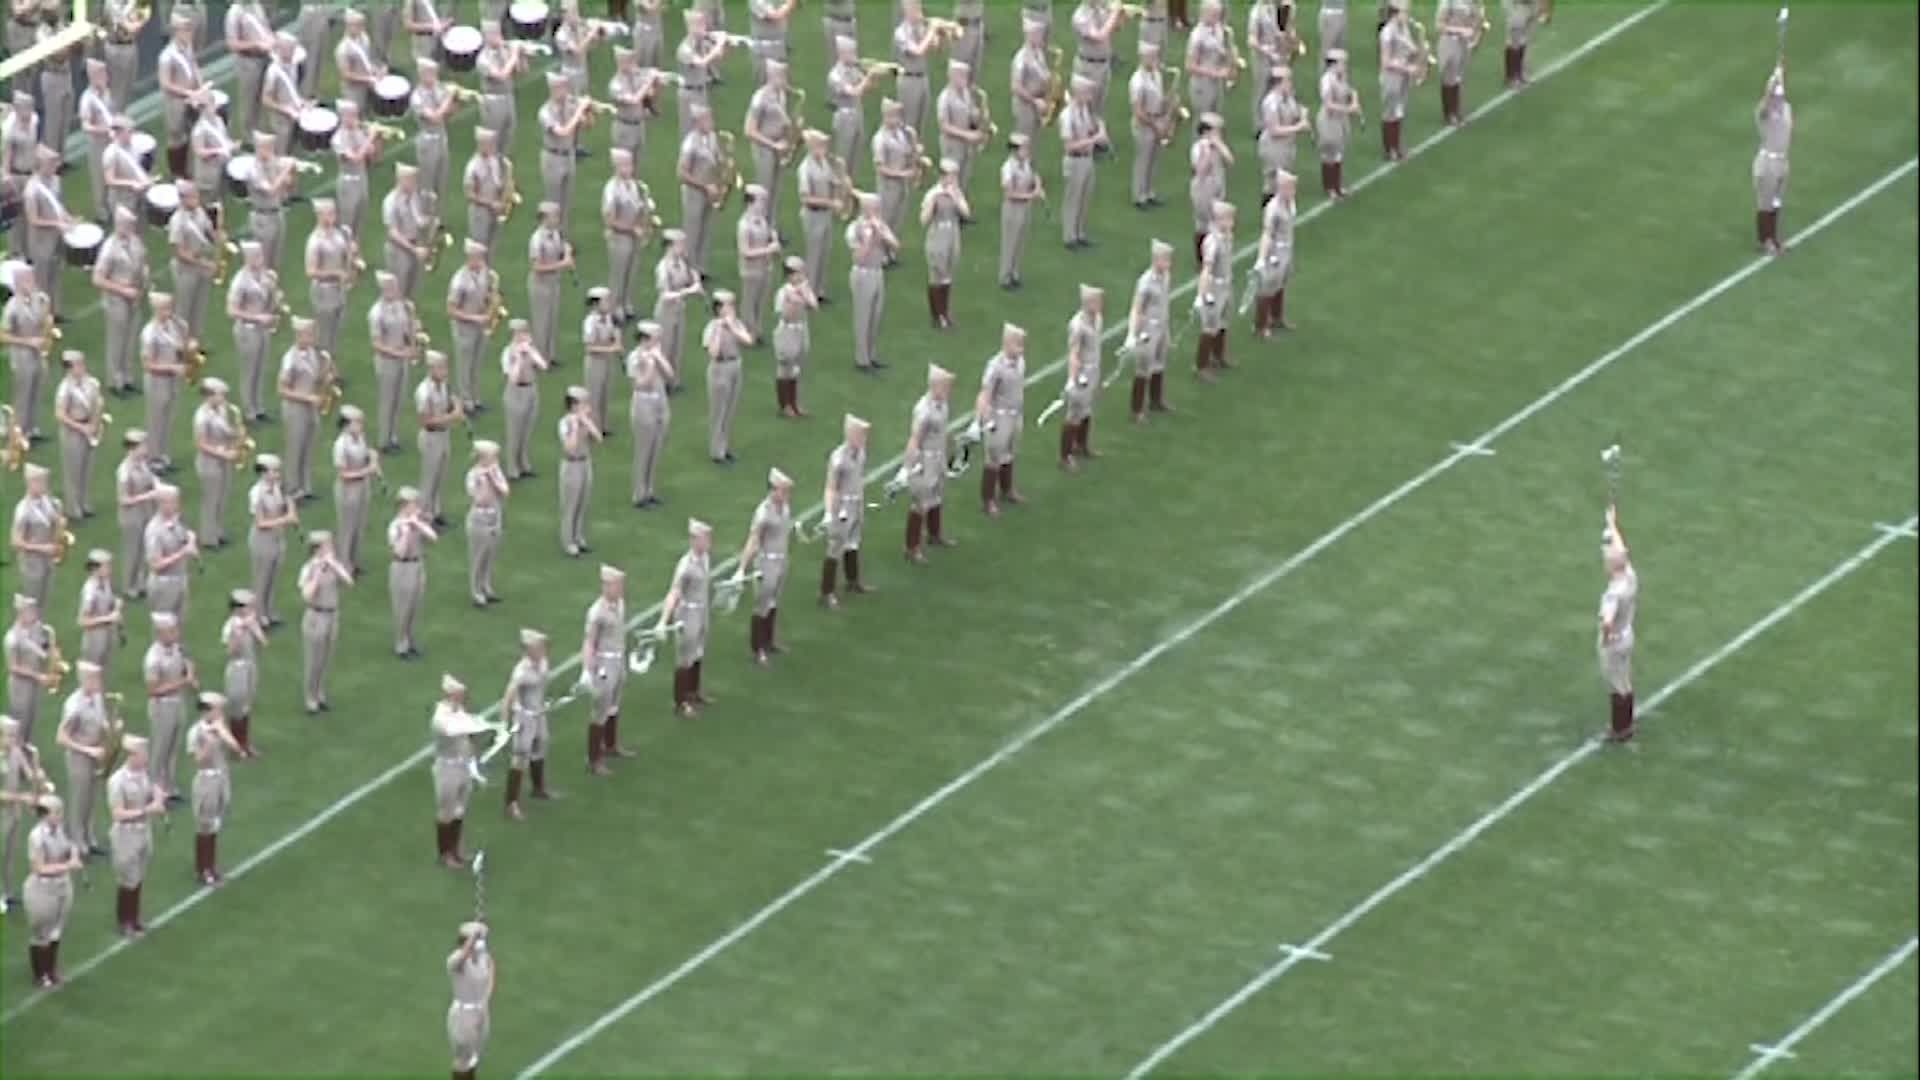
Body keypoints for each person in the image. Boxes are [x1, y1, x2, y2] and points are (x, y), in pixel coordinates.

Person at [106, 733, 164, 935]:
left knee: (138, 876)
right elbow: (117, 813)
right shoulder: (118, 781)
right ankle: (124, 921)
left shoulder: (143, 774)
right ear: (132, 755)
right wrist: (147, 810)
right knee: (127, 878)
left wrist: (157, 795)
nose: (146, 757)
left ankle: (135, 918)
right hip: (125, 834)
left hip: (143, 831)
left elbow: (149, 793)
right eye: (143, 753)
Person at [737, 468, 795, 664]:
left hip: (781, 559)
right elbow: (753, 541)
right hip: (767, 562)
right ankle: (757, 648)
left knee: (773, 601)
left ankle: (769, 641)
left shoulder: (784, 508)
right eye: (784, 490)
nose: (787, 495)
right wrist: (742, 569)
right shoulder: (763, 513)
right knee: (762, 605)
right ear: (774, 490)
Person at [657, 520, 714, 717]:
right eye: (705, 538)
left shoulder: (705, 558)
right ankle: (680, 701)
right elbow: (674, 593)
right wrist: (664, 621)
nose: (709, 541)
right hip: (687, 614)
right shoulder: (685, 567)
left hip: (701, 610)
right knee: (685, 658)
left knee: (698, 651)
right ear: (694, 540)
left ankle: (694, 691)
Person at [24, 793, 82, 986]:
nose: (60, 816)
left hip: (62, 886)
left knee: (56, 929)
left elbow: (67, 847)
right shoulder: (37, 837)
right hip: (42, 889)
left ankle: (51, 969)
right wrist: (68, 866)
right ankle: (39, 974)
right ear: (45, 814)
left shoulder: (59, 830)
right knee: (41, 932)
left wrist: (72, 852)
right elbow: (38, 868)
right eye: (56, 812)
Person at [54, 662, 111, 856]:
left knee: (92, 797)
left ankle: (89, 837)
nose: (98, 681)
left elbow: (100, 719)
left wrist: (108, 729)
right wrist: (88, 750)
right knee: (80, 799)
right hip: (79, 757)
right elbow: (61, 738)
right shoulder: (74, 705)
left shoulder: (97, 697)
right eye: (94, 678)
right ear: (85, 680)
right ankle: (76, 842)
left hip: (95, 752)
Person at [902, 364, 956, 562]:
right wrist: (911, 465)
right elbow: (915, 439)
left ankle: (934, 534)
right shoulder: (923, 410)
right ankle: (911, 546)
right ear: (935, 386)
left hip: (938, 456)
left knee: (937, 494)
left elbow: (942, 429)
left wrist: (949, 444)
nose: (949, 390)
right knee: (920, 502)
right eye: (946, 386)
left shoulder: (942, 404)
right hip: (925, 459)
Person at [97, 206, 151, 397]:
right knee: (117, 341)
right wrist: (123, 290)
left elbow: (142, 261)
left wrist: (144, 279)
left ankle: (127, 377)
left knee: (131, 339)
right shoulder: (109, 248)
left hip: (134, 296)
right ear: (118, 225)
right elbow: (98, 278)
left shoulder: (135, 241)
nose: (131, 226)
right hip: (116, 299)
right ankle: (114, 381)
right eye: (127, 224)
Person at [186, 691, 239, 885]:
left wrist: (222, 733)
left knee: (216, 824)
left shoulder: (219, 727)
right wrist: (208, 744)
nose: (220, 713)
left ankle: (211, 865)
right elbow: (198, 761)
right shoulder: (195, 732)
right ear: (207, 711)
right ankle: (203, 869)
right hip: (205, 780)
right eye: (216, 709)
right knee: (205, 825)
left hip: (221, 778)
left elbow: (235, 748)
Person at [297, 530, 353, 713]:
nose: (332, 547)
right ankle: (309, 698)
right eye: (328, 545)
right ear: (318, 549)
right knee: (314, 659)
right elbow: (307, 595)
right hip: (316, 616)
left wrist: (334, 566)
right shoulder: (308, 569)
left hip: (332, 615)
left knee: (326, 658)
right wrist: (319, 573)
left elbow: (348, 582)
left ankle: (319, 693)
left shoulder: (333, 565)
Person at [818, 414, 871, 606]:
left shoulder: (861, 453)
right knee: (835, 547)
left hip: (856, 502)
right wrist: (829, 512)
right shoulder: (838, 458)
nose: (864, 439)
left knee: (853, 542)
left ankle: (852, 580)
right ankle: (826, 592)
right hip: (842, 507)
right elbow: (831, 487)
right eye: (861, 435)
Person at [580, 565, 628, 773]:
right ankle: (594, 758)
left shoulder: (620, 604)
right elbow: (589, 642)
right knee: (600, 710)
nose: (621, 588)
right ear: (607, 586)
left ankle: (610, 745)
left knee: (614, 704)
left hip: (618, 660)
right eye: (617, 584)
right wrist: (586, 670)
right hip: (604, 665)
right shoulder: (596, 612)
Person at [976, 324, 1029, 515]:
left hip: (1015, 414)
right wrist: (984, 419)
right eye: (1018, 344)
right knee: (993, 458)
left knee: (1010, 452)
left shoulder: (1020, 362)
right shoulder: (995, 366)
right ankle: (987, 499)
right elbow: (985, 394)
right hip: (1000, 416)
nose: (1022, 348)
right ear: (1007, 343)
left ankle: (1007, 489)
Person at [142, 611, 194, 803]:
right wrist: (182, 682)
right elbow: (153, 689)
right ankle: (154, 789)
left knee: (173, 747)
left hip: (177, 703)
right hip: (162, 706)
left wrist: (190, 672)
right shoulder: (153, 658)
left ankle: (169, 786)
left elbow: (186, 660)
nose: (176, 633)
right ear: (160, 633)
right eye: (171, 631)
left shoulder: (176, 649)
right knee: (160, 749)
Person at [429, 675, 481, 868]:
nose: (464, 697)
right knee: (446, 811)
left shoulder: (459, 711)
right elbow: (454, 730)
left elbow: (468, 737)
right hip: (447, 767)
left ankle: (457, 849)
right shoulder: (440, 717)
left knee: (459, 810)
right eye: (461, 694)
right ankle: (445, 854)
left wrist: (473, 763)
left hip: (462, 765)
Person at [501, 628, 552, 819]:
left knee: (541, 745)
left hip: (539, 714)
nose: (544, 648)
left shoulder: (543, 663)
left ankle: (538, 788)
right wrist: (504, 725)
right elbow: (507, 698)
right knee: (520, 756)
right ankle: (510, 803)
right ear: (530, 650)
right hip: (524, 718)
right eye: (540, 646)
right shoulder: (521, 672)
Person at [227, 241, 279, 422]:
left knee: (260, 367)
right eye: (257, 256)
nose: (261, 259)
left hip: (262, 328)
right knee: (249, 370)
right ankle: (248, 409)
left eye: (261, 255)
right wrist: (256, 317)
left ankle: (258, 406)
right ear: (248, 259)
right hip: (247, 330)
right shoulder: (241, 281)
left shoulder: (265, 276)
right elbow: (232, 310)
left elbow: (271, 301)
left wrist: (274, 291)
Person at [1598, 505, 1638, 742]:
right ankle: (1628, 723)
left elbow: (1606, 621)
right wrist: (1612, 524)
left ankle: (1619, 728)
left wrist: (1605, 639)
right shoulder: (1630, 577)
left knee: (1615, 683)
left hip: (1615, 640)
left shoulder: (1613, 593)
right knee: (1625, 679)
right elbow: (1621, 551)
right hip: (1627, 635)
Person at [846, 192, 897, 373]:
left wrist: (881, 233)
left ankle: (872, 354)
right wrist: (869, 238)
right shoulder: (854, 228)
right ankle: (862, 359)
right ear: (866, 209)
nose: (878, 211)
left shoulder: (880, 225)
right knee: (863, 316)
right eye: (875, 208)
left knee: (876, 315)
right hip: (862, 273)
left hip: (877, 272)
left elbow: (896, 245)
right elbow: (858, 257)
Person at [277, 318, 327, 501]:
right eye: (309, 334)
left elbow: (315, 377)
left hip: (310, 406)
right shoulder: (290, 359)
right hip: (295, 408)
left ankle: (305, 487)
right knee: (295, 448)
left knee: (308, 446)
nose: (313, 337)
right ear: (299, 336)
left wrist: (325, 375)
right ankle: (291, 489)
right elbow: (282, 389)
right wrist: (308, 397)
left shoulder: (314, 353)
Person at [23, 148, 76, 321]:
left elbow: (58, 206)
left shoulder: (55, 181)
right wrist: (57, 224)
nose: (55, 166)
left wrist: (68, 218)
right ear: (40, 166)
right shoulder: (32, 190)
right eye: (50, 163)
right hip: (41, 240)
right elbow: (33, 220)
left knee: (56, 274)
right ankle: (42, 318)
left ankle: (55, 312)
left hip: (56, 236)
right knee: (42, 280)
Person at [1, 269, 54, 438]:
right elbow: (3, 335)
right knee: (23, 395)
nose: (32, 282)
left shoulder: (39, 299)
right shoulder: (12, 307)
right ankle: (18, 432)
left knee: (37, 390)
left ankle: (32, 428)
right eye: (28, 280)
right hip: (22, 355)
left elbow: (44, 319)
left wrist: (47, 328)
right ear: (19, 283)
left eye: (32, 278)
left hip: (38, 352)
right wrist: (29, 341)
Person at [368, 272, 418, 452]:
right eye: (389, 287)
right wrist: (399, 353)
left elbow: (408, 327)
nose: (394, 290)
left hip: (401, 356)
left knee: (399, 398)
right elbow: (376, 344)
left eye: (395, 287)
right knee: (387, 400)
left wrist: (412, 344)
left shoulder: (401, 306)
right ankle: (383, 440)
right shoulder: (376, 313)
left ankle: (393, 436)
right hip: (386, 360)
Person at [602, 150, 651, 330]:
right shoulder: (611, 189)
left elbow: (640, 207)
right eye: (625, 165)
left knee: (632, 269)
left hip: (633, 235)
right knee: (618, 273)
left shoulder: (634, 186)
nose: (629, 168)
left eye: (630, 164)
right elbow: (610, 219)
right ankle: (614, 308)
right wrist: (632, 228)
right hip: (619, 237)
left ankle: (626, 303)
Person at [626, 322, 673, 508]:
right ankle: (639, 494)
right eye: (655, 337)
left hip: (659, 400)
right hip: (643, 402)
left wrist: (658, 359)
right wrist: (651, 365)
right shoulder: (634, 357)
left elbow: (670, 374)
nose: (658, 340)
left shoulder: (656, 354)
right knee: (644, 451)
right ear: (645, 339)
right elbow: (640, 384)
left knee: (656, 449)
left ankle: (650, 490)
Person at [537, 74, 593, 232]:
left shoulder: (570, 106)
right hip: (552, 158)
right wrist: (580, 109)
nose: (565, 92)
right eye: (561, 88)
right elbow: (563, 131)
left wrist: (587, 111)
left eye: (566, 87)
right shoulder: (545, 112)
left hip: (568, 156)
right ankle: (548, 238)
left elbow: (587, 126)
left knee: (566, 203)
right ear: (553, 89)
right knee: (553, 204)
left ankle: (561, 239)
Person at [387, 487, 438, 658]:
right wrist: (408, 530)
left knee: (415, 606)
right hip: (402, 567)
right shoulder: (395, 526)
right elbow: (399, 552)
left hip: (417, 565)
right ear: (404, 506)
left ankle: (410, 640)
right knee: (403, 607)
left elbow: (433, 538)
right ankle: (401, 645)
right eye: (414, 504)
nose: (418, 507)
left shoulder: (416, 523)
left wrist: (418, 524)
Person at [190, 377, 241, 546]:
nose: (224, 397)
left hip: (223, 458)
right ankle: (208, 538)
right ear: (210, 396)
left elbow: (224, 430)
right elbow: (200, 444)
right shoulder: (201, 417)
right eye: (221, 394)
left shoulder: (222, 409)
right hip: (209, 464)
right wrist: (224, 455)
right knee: (211, 500)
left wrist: (235, 434)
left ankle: (217, 531)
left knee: (222, 497)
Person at [54, 352, 106, 517]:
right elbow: (60, 414)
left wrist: (95, 424)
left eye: (82, 363)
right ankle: (73, 507)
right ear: (69, 368)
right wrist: (81, 427)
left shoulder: (90, 382)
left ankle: (84, 502)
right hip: (73, 431)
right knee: (73, 470)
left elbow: (98, 403)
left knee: (86, 467)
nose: (83, 366)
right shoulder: (65, 388)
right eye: (78, 364)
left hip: (89, 425)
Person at [306, 199, 356, 369]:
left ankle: (330, 371)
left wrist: (351, 255)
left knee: (335, 333)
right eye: (327, 214)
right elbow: (311, 271)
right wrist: (335, 273)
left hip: (339, 289)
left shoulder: (339, 233)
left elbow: (345, 255)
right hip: (323, 291)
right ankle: (321, 372)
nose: (331, 217)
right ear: (318, 216)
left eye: (333, 213)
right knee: (324, 336)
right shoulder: (315, 241)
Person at [676, 105, 725, 279]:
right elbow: (681, 173)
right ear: (697, 123)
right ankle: (686, 271)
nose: (711, 122)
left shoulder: (712, 138)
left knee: (706, 229)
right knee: (692, 231)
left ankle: (700, 268)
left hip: (709, 190)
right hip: (694, 193)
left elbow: (717, 160)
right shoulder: (690, 143)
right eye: (707, 119)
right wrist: (704, 186)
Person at [702, 291, 751, 465]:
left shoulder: (736, 324)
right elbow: (713, 353)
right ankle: (717, 451)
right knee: (719, 411)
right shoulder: (711, 327)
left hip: (735, 365)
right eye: (728, 305)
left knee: (730, 408)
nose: (732, 308)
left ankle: (725, 445)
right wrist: (720, 330)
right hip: (719, 368)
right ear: (719, 309)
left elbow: (748, 340)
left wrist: (732, 328)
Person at [248, 453, 297, 624]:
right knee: (261, 579)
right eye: (274, 471)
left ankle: (269, 610)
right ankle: (258, 615)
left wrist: (290, 506)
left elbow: (283, 506)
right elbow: (260, 522)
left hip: (277, 537)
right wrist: (286, 519)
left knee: (273, 576)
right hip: (262, 540)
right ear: (263, 473)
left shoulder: (277, 488)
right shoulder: (257, 493)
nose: (277, 474)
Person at [446, 242, 494, 414]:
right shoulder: (459, 280)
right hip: (464, 328)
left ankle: (475, 397)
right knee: (464, 365)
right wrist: (475, 318)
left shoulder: (484, 271)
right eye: (479, 257)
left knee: (476, 363)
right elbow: (451, 310)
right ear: (470, 257)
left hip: (480, 324)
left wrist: (490, 305)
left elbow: (487, 291)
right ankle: (465, 402)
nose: (482, 260)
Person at [1059, 285, 1104, 469]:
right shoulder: (1078, 325)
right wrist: (1072, 378)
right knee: (1074, 414)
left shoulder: (1097, 319)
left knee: (1087, 409)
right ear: (1088, 303)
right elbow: (1074, 353)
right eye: (1098, 300)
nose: (1101, 303)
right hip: (1082, 372)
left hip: (1093, 369)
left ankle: (1081, 444)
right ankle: (1065, 455)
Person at [920, 159, 968, 329]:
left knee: (948, 273)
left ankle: (945, 313)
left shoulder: (956, 192)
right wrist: (934, 201)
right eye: (951, 175)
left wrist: (955, 197)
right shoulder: (933, 193)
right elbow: (924, 220)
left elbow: (966, 213)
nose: (955, 178)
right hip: (938, 233)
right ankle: (937, 314)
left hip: (953, 233)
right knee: (937, 273)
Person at [653, 230, 703, 393]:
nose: (683, 247)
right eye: (679, 244)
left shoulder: (682, 263)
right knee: (665, 347)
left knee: (677, 346)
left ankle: (673, 380)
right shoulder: (663, 267)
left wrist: (694, 280)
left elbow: (688, 280)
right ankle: (661, 383)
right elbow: (665, 294)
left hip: (679, 309)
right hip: (666, 312)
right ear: (669, 246)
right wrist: (689, 291)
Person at [416, 352, 463, 524]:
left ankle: (435, 511)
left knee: (441, 475)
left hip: (444, 435)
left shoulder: (443, 385)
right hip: (431, 437)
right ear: (431, 369)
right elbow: (425, 420)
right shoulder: (424, 392)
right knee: (429, 478)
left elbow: (449, 402)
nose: (445, 371)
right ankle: (423, 515)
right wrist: (452, 417)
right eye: (441, 367)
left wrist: (456, 405)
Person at [1057, 76, 1105, 248]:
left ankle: (1080, 232)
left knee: (1084, 197)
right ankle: (1069, 236)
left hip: (1087, 159)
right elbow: (1069, 146)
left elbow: (1090, 128)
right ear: (1078, 93)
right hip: (1074, 160)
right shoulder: (1067, 116)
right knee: (1073, 199)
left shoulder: (1084, 109)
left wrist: (1100, 128)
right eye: (1087, 92)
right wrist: (1093, 140)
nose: (1090, 96)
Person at [168, 184, 219, 342]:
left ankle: (195, 344)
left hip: (201, 264)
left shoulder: (199, 212)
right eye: (192, 196)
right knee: (184, 311)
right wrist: (203, 263)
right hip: (186, 270)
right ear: (183, 199)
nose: (196, 199)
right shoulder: (177, 221)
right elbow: (178, 252)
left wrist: (218, 239)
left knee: (199, 308)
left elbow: (210, 232)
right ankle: (179, 346)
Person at [446, 919, 495, 1080]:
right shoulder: (455, 960)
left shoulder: (482, 958)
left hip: (480, 1012)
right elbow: (461, 960)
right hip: (462, 1016)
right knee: (463, 1061)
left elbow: (492, 968)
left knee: (474, 1057)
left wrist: (486, 999)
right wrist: (473, 938)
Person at [330, 408, 377, 571]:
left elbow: (364, 456)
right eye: (357, 422)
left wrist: (371, 456)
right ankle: (344, 564)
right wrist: (367, 470)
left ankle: (354, 561)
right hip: (348, 489)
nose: (361, 425)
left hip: (362, 486)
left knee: (359, 524)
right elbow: (343, 474)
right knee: (347, 527)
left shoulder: (360, 438)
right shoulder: (341, 445)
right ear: (346, 425)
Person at [500, 321, 548, 481]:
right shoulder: (507, 353)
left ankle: (524, 463)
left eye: (525, 332)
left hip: (531, 390)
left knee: (527, 429)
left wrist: (530, 353)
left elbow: (543, 366)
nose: (523, 336)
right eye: (519, 333)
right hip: (515, 393)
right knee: (514, 431)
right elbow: (512, 378)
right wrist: (519, 358)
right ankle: (512, 468)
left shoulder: (530, 350)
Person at [221, 590, 266, 756]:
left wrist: (253, 628)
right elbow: (231, 651)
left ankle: (245, 743)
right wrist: (239, 632)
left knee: (246, 706)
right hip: (237, 667)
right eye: (248, 607)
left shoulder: (250, 622)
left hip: (250, 665)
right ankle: (235, 746)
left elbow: (263, 643)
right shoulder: (230, 626)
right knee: (236, 707)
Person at [1252, 169, 1297, 335]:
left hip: (1287, 247)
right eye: (1290, 187)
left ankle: (1277, 317)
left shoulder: (1290, 202)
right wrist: (1262, 258)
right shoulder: (1273, 208)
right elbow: (1267, 234)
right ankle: (1260, 326)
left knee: (1281, 283)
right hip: (1275, 251)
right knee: (1267, 287)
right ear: (1281, 188)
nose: (1293, 190)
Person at [771, 256, 817, 418]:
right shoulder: (783, 293)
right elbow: (785, 315)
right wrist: (793, 301)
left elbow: (813, 305)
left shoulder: (804, 288)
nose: (801, 275)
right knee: (785, 367)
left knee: (797, 368)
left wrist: (803, 294)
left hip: (801, 328)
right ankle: (785, 405)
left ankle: (795, 403)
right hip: (787, 331)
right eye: (798, 272)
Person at [745, 62, 796, 210]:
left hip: (779, 147)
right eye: (782, 75)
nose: (786, 79)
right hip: (764, 148)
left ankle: (770, 226)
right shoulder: (760, 98)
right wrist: (773, 145)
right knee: (763, 190)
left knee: (776, 190)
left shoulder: (781, 94)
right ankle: (755, 222)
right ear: (771, 76)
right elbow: (749, 130)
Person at [527, 202, 572, 367]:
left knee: (552, 319)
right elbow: (537, 267)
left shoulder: (556, 234)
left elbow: (560, 253)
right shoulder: (537, 239)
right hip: (541, 284)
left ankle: (549, 355)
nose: (557, 218)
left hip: (554, 282)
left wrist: (566, 252)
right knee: (541, 322)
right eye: (554, 215)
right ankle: (539, 359)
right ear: (544, 218)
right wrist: (563, 264)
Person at [1194, 200, 1236, 378]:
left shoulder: (1227, 236)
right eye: (1229, 219)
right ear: (1219, 220)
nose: (1232, 222)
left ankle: (1218, 355)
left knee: (1223, 322)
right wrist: (1203, 294)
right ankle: (1201, 365)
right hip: (1215, 287)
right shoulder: (1212, 242)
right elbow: (1207, 270)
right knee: (1209, 327)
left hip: (1225, 283)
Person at [557, 388, 601, 557]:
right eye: (584, 402)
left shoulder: (586, 421)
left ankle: (578, 537)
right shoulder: (565, 423)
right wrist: (576, 425)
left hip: (585, 463)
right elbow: (570, 446)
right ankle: (568, 542)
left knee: (583, 502)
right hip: (571, 465)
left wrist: (587, 423)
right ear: (574, 405)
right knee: (571, 504)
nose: (587, 405)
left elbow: (598, 438)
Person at [115, 430, 159, 597]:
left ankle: (140, 582)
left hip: (145, 513)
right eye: (142, 445)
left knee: (143, 549)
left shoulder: (142, 464)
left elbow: (150, 479)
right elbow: (123, 499)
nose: (146, 448)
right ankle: (128, 585)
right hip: (131, 517)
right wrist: (147, 496)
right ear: (132, 449)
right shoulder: (124, 471)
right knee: (132, 551)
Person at [144, 484, 198, 619]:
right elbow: (155, 565)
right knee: (165, 627)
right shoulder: (154, 530)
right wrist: (183, 553)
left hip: (179, 579)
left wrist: (190, 538)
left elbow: (182, 537)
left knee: (179, 626)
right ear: (162, 504)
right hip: (163, 585)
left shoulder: (175, 519)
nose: (177, 505)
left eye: (177, 500)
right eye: (173, 501)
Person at [795, 130, 838, 301]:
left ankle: (819, 290)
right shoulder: (805, 168)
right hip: (813, 215)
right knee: (813, 255)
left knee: (824, 252)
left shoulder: (824, 162)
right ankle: (809, 293)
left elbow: (831, 179)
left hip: (825, 214)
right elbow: (806, 198)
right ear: (811, 147)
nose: (824, 149)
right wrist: (830, 203)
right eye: (821, 145)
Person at [1753, 65, 1792, 256]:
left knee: (1777, 202)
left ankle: (1774, 238)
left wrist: (1781, 75)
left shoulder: (1786, 109)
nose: (1778, 98)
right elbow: (1764, 107)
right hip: (1767, 162)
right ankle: (1764, 240)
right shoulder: (1764, 113)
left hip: (1782, 162)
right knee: (1765, 203)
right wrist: (1771, 84)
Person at [735, 185, 781, 346]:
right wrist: (768, 250)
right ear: (750, 203)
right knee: (749, 303)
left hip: (765, 267)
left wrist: (773, 241)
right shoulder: (744, 225)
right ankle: (746, 333)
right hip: (750, 270)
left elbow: (768, 237)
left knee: (760, 302)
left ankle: (756, 330)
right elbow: (745, 251)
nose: (763, 204)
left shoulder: (762, 220)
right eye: (760, 201)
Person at [465, 441, 509, 605]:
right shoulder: (472, 475)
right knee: (478, 556)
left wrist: (493, 478)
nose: (496, 459)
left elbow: (505, 492)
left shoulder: (495, 471)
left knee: (491, 554)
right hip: (479, 518)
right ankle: (476, 591)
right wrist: (485, 481)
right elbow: (479, 499)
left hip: (495, 515)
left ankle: (486, 586)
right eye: (493, 456)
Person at [1129, 42, 1172, 209]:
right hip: (1145, 124)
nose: (1155, 59)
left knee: (1154, 159)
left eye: (1156, 55)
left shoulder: (1156, 74)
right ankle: (1139, 196)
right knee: (1143, 160)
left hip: (1157, 118)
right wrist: (1156, 126)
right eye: (1152, 56)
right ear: (1142, 58)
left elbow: (1159, 98)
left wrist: (1167, 103)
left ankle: (1149, 192)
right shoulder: (1137, 81)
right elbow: (1138, 111)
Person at [4, 596, 54, 742]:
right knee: (20, 721)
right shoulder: (12, 638)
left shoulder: (36, 626)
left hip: (35, 680)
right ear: (21, 614)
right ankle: (16, 750)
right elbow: (13, 667)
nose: (35, 613)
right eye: (31, 611)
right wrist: (38, 676)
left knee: (32, 716)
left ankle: (27, 746)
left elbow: (42, 643)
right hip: (20, 686)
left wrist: (50, 649)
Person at [935, 60, 988, 195]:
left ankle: (960, 208)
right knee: (950, 180)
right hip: (952, 145)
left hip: (966, 145)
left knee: (964, 178)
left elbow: (970, 113)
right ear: (952, 76)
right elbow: (944, 126)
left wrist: (977, 115)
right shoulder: (944, 98)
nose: (965, 78)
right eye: (961, 75)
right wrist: (967, 135)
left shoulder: (966, 93)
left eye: (966, 75)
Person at [1257, 68, 1309, 204]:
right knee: (1274, 184)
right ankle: (1269, 216)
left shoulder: (1289, 98)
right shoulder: (1271, 103)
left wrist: (1302, 115)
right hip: (1274, 146)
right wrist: (1299, 127)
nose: (1291, 83)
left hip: (1287, 144)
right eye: (1288, 80)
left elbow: (1295, 113)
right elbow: (1274, 130)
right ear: (1278, 83)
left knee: (1285, 181)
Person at [247, 130, 296, 272]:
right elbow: (271, 189)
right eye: (266, 147)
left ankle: (272, 288)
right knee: (263, 259)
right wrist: (286, 169)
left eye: (271, 147)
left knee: (276, 257)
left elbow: (288, 185)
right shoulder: (253, 170)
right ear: (258, 148)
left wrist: (291, 173)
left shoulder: (273, 163)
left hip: (277, 213)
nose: (270, 151)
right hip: (262, 218)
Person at [826, 37, 876, 174]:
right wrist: (868, 76)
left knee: (856, 152)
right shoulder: (835, 75)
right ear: (842, 53)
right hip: (844, 117)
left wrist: (872, 75)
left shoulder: (853, 70)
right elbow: (854, 92)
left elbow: (869, 87)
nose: (855, 56)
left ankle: (849, 185)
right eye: (851, 53)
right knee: (844, 155)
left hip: (857, 113)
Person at [411, 59, 457, 209]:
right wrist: (449, 98)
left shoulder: (438, 89)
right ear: (422, 75)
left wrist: (453, 102)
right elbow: (435, 117)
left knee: (441, 180)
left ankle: (437, 219)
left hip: (442, 137)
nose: (434, 77)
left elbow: (449, 113)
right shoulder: (417, 96)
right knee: (427, 184)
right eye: (431, 74)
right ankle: (424, 216)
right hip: (427, 140)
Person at [382, 164, 432, 299]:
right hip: (398, 251)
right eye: (411, 179)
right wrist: (414, 250)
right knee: (398, 289)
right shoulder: (390, 201)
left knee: (412, 287)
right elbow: (392, 233)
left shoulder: (413, 195)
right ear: (401, 180)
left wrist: (426, 221)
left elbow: (416, 216)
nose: (415, 183)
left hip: (414, 245)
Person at [1188, 112, 1232, 264]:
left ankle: (1215, 254)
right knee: (1204, 225)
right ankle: (1202, 259)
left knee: (1217, 221)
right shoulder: (1198, 148)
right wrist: (1207, 151)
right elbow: (1200, 170)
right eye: (1215, 130)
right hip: (1203, 189)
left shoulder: (1218, 145)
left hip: (1217, 185)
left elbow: (1230, 160)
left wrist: (1218, 145)